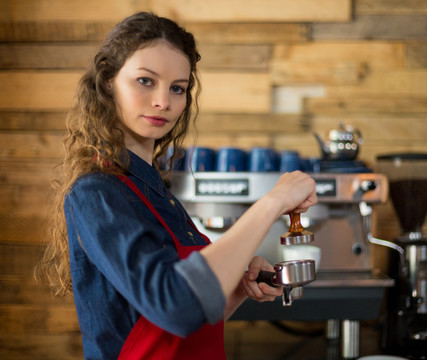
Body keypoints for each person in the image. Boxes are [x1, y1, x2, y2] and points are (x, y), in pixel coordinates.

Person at [35, 12, 317, 359]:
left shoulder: (158, 193)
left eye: (177, 88)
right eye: (145, 81)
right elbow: (174, 306)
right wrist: (272, 202)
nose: (163, 102)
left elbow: (187, 321)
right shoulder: (98, 193)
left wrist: (237, 288)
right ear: (108, 81)